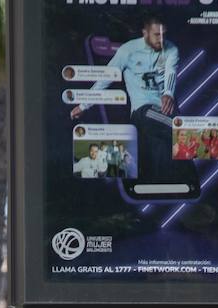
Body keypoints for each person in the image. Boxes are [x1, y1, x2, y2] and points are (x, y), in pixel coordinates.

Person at [70, 17, 193, 185]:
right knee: (181, 129)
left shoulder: (172, 49)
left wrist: (168, 93)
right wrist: (84, 104)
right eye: (157, 35)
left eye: (164, 35)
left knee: (164, 153)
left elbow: (171, 72)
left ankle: (158, 189)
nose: (161, 39)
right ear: (145, 33)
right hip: (142, 111)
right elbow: (107, 77)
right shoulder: (128, 51)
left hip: (164, 112)